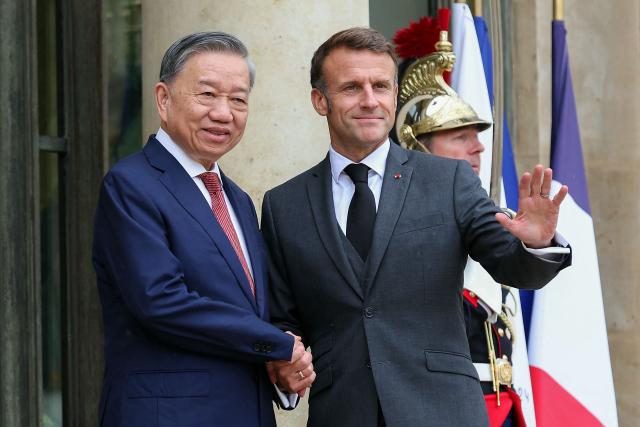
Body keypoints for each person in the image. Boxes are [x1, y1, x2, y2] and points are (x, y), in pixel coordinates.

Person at [261, 27, 571, 427]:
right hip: (341, 413)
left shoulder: (449, 180)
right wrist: (284, 361)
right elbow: (283, 320)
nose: (370, 100)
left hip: (443, 411)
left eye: (381, 86)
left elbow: (510, 264)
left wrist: (536, 244)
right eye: (352, 87)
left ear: (394, 95)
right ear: (320, 100)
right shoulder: (283, 204)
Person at [92, 31, 313, 427]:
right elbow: (162, 301)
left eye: (238, 99)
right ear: (164, 99)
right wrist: (277, 345)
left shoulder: (238, 200)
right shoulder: (131, 185)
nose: (224, 113)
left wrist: (283, 365)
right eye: (207, 95)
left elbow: (250, 313)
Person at [394, 32, 534, 426]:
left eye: (477, 136)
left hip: (501, 407)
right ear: (417, 146)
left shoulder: (491, 220)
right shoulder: (396, 224)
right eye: (460, 137)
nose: (479, 148)